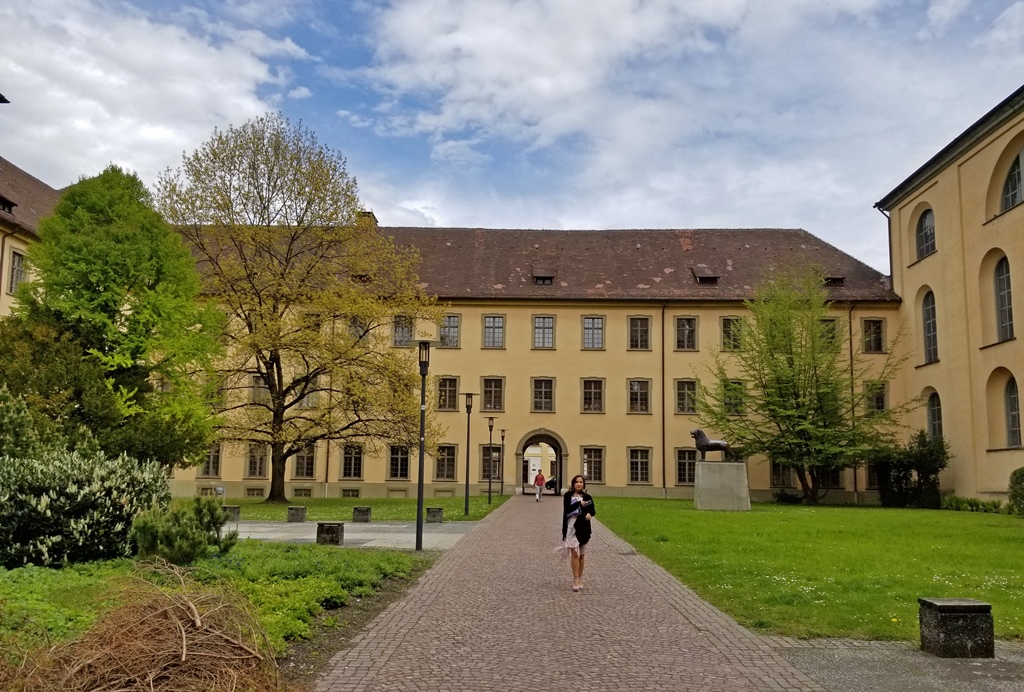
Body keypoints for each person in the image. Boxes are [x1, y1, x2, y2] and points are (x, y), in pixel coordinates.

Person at [559, 474, 595, 591]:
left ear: (583, 484)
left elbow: (592, 509)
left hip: (583, 528)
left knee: (582, 555)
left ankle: (580, 577)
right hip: (571, 528)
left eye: (581, 482)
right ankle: (575, 579)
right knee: (575, 554)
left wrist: (590, 514)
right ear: (573, 484)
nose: (579, 484)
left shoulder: (587, 497)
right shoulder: (568, 496)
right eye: (576, 482)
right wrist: (579, 503)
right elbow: (568, 508)